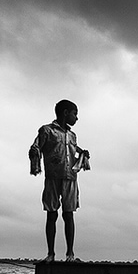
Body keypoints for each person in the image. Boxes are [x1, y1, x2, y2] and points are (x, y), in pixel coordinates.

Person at [29, 99, 90, 263]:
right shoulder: (47, 131)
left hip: (70, 178)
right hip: (53, 178)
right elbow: (36, 147)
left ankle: (70, 254)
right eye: (74, 114)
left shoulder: (72, 135)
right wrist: (35, 162)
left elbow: (71, 153)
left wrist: (83, 155)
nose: (76, 118)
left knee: (69, 214)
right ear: (65, 113)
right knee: (52, 214)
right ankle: (51, 254)